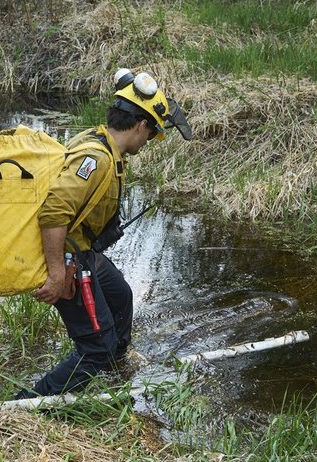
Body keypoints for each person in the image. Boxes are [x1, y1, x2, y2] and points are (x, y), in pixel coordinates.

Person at [15, 68, 192, 398]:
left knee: (120, 295)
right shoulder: (95, 159)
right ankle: (30, 405)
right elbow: (54, 212)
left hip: (82, 250)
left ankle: (115, 362)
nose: (150, 140)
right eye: (152, 133)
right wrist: (57, 274)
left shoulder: (103, 145)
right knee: (95, 346)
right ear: (141, 125)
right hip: (66, 256)